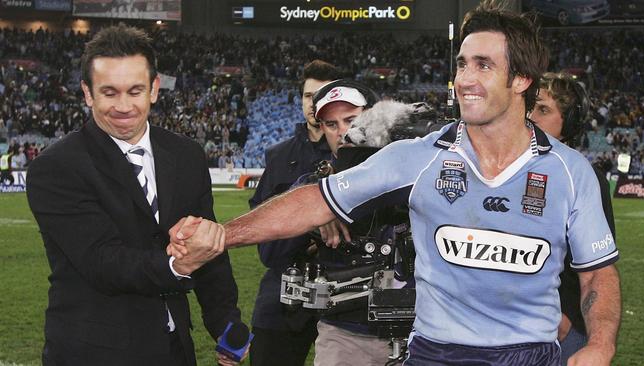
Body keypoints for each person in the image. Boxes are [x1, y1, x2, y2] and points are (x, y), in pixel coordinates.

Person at [171, 2, 621, 365]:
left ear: (521, 78)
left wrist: (600, 344)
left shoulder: (569, 171)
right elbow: (314, 202)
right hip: (433, 352)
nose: (464, 78)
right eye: (462, 64)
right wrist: (224, 235)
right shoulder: (419, 157)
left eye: (483, 65)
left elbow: (597, 272)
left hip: (529, 355)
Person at [26, 24, 243, 366]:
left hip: (175, 349)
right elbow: (101, 261)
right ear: (87, 93)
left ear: (154, 89)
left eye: (135, 90)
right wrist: (177, 264)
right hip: (93, 353)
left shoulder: (186, 155)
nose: (123, 106)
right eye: (109, 92)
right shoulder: (55, 168)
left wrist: (226, 324)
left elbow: (210, 247)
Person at [247, 60, 339, 366]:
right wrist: (310, 227)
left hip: (343, 296)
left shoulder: (357, 158)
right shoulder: (278, 157)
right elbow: (266, 248)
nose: (314, 104)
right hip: (283, 293)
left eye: (323, 96)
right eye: (307, 96)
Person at [530, 71, 616, 366]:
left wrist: (562, 317)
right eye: (529, 106)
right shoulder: (505, 169)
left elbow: (596, 269)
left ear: (570, 123)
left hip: (561, 331)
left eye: (543, 109)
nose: (530, 115)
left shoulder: (584, 177)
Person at [309, 79, 394, 366]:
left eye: (351, 120)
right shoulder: (313, 185)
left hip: (413, 331)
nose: (343, 131)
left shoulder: (409, 169)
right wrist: (317, 208)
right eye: (331, 125)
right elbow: (272, 252)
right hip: (343, 335)